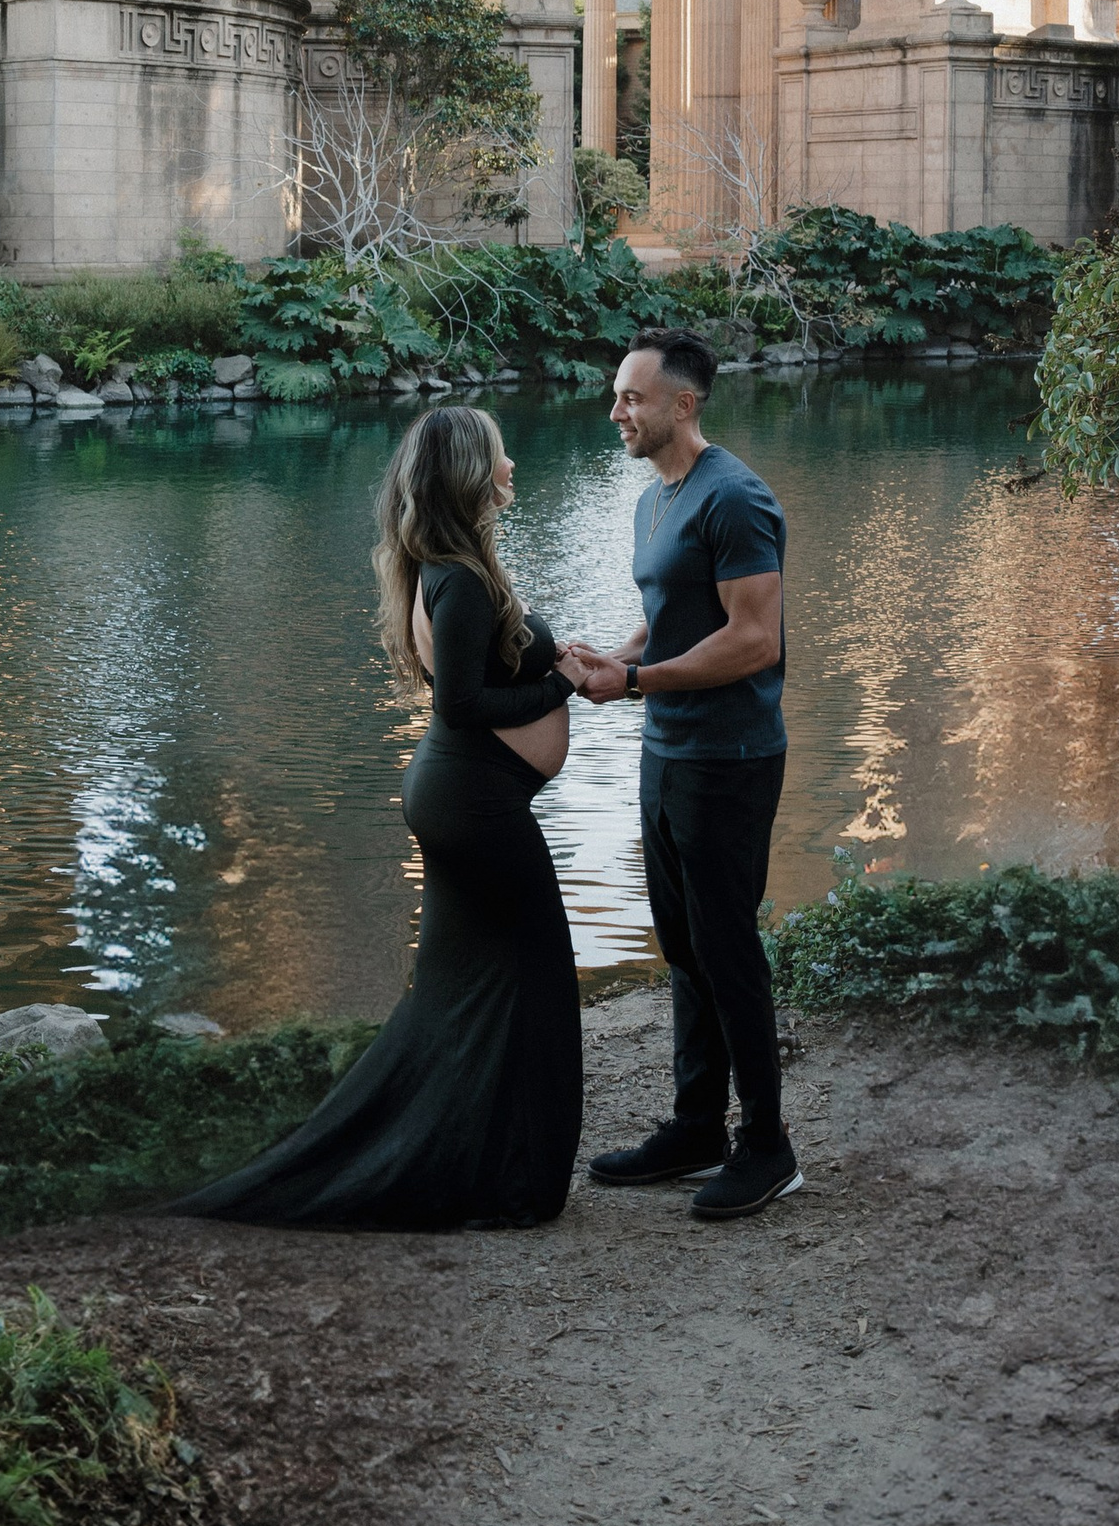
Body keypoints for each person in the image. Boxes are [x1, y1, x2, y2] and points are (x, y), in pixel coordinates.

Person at [178, 404, 583, 1230]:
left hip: (460, 800)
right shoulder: (461, 580)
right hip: (474, 806)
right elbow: (466, 704)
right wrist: (563, 684)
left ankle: (465, 1160)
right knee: (536, 982)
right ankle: (509, 1180)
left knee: (458, 997)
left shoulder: (446, 566)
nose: (512, 467)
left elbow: (471, 687)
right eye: (502, 456)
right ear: (473, 473)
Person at [561, 334, 800, 1220]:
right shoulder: (656, 500)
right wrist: (614, 654)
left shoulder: (735, 497)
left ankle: (767, 1146)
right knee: (685, 944)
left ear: (683, 405)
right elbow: (670, 614)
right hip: (666, 750)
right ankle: (697, 1126)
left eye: (630, 397)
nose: (615, 411)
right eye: (617, 396)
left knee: (727, 948)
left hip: (730, 758)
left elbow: (752, 638)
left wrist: (633, 681)